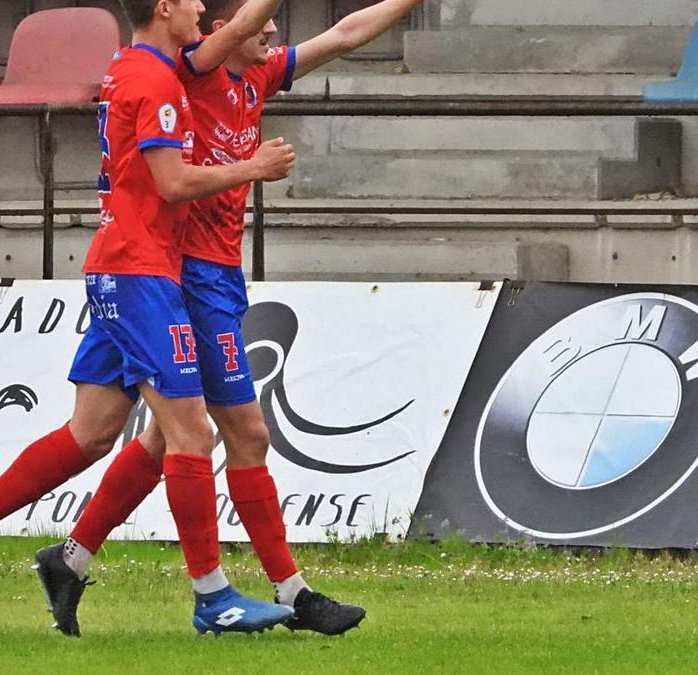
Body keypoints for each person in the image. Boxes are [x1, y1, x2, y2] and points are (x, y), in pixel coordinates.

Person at [34, 0, 426, 637]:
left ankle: (70, 559)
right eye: (262, 23)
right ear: (219, 28)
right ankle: (282, 596)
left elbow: (347, 31)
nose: (273, 32)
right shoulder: (196, 66)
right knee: (241, 433)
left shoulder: (259, 75)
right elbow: (245, 24)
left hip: (205, 271)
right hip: (186, 273)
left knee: (161, 437)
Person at [0, 0, 298, 636]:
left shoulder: (132, 66)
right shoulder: (157, 81)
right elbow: (174, 183)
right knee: (189, 431)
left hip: (120, 263)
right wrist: (254, 167)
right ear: (164, 8)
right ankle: (212, 597)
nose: (204, 10)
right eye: (192, 2)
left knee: (93, 433)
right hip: (142, 270)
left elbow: (236, 34)